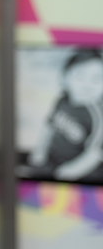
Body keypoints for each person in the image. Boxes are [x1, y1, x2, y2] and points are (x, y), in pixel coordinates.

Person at [27, 49, 103, 184]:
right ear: (64, 77)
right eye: (80, 76)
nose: (88, 84)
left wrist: (69, 172)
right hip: (54, 159)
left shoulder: (98, 116)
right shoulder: (62, 100)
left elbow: (95, 155)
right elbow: (49, 126)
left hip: (82, 168)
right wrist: (40, 151)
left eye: (97, 79)